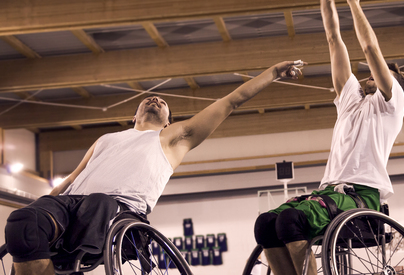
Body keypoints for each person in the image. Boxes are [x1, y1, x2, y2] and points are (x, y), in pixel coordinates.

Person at [4, 61, 304, 275]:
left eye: (163, 102)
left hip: (117, 210)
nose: (156, 99)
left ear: (169, 121)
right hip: (71, 203)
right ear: (133, 115)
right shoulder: (107, 138)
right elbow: (71, 179)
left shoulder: (174, 138)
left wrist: (273, 73)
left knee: (99, 202)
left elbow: (231, 102)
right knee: (23, 221)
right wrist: (45, 203)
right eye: (150, 99)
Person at [253, 0, 404, 275]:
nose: (372, 72)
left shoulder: (392, 103)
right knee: (265, 225)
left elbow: (371, 49)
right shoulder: (352, 99)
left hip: (361, 197)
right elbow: (333, 39)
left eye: (382, 72)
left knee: (291, 221)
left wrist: (354, 3)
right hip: (330, 193)